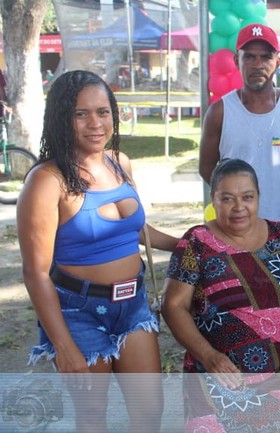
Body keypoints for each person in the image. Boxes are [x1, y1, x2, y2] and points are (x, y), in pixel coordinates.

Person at [16, 70, 179, 433]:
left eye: (103, 112)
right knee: (93, 417)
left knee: (149, 411)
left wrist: (186, 242)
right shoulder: (47, 180)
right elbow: (35, 273)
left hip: (133, 305)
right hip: (78, 312)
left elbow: (135, 229)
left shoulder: (119, 162)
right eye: (81, 114)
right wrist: (64, 346)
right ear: (62, 118)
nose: (96, 123)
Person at [162, 158, 280, 431]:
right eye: (227, 199)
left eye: (247, 197)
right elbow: (173, 306)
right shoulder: (196, 243)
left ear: (258, 197)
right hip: (225, 374)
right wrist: (208, 356)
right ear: (213, 199)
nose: (239, 207)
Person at [199, 23, 280, 244]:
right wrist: (231, 200)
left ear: (278, 62)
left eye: (265, 57)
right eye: (250, 57)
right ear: (237, 61)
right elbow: (206, 167)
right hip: (234, 234)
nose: (257, 64)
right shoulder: (219, 112)